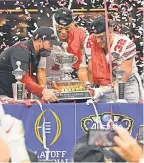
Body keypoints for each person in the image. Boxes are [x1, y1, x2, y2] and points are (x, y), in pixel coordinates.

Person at [85, 16, 143, 102]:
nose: (98, 41)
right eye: (95, 37)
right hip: (105, 82)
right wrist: (89, 86)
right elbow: (91, 68)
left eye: (101, 37)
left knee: (127, 110)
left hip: (126, 83)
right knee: (106, 113)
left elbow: (124, 75)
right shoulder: (90, 42)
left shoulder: (125, 44)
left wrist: (105, 90)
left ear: (110, 31)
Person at [0, 26, 61, 102]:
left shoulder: (35, 52)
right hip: (3, 95)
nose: (51, 48)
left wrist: (45, 90)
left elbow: (32, 77)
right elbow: (23, 78)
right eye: (50, 44)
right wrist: (42, 91)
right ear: (39, 41)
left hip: (12, 94)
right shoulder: (21, 50)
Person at [39, 7, 89, 84]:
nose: (64, 32)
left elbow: (82, 67)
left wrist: (86, 85)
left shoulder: (78, 37)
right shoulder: (46, 37)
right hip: (49, 81)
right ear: (55, 26)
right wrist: (43, 89)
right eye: (60, 28)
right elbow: (41, 69)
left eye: (67, 28)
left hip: (69, 80)